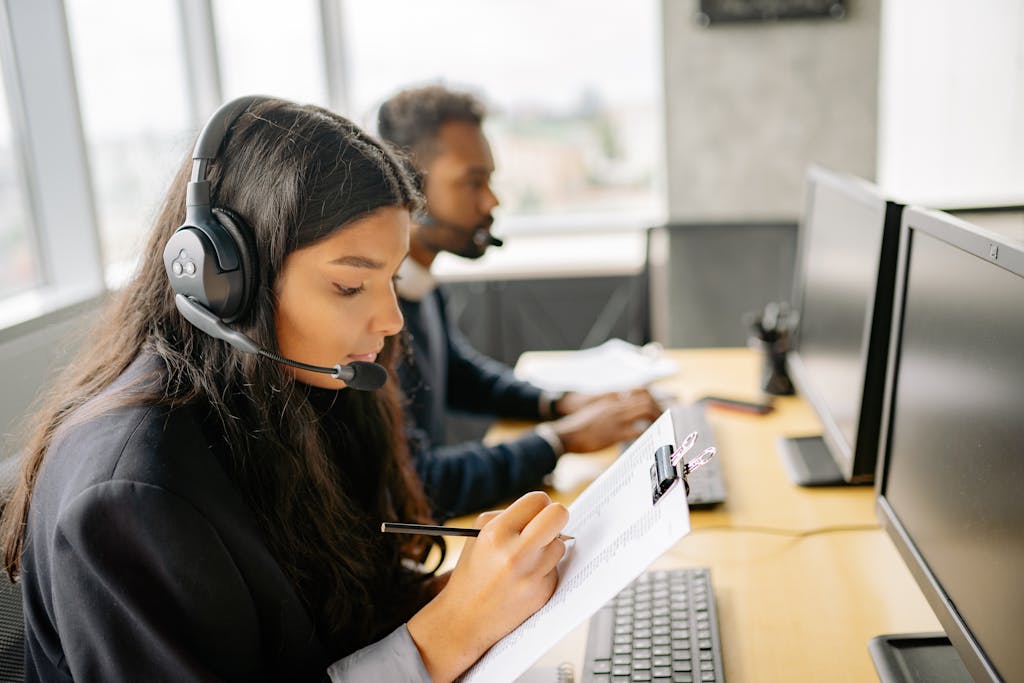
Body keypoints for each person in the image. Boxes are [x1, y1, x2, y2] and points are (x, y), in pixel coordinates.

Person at [0, 96, 569, 682]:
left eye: (391, 277)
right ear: (227, 282)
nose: (392, 319)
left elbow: (323, 631)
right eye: (351, 285)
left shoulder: (297, 394)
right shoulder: (130, 494)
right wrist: (449, 632)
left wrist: (472, 592)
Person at [376, 85, 662, 519]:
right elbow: (419, 482)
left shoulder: (419, 283)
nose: (492, 201)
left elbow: (460, 374)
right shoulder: (375, 319)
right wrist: (559, 439)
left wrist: (560, 403)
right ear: (408, 186)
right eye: (473, 182)